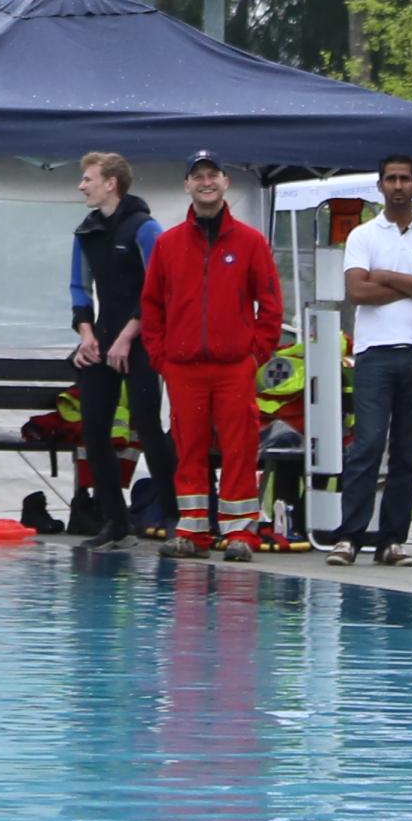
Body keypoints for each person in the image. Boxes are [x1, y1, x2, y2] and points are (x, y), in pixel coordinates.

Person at [139, 151, 284, 559]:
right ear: (187, 185)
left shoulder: (250, 242)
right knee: (188, 448)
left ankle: (240, 534)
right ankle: (193, 530)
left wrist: (255, 355)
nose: (206, 182)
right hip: (183, 368)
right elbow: (151, 306)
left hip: (234, 366)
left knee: (240, 448)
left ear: (225, 182)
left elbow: (271, 304)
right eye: (198, 176)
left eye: (213, 175)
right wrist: (162, 359)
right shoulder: (167, 244)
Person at [332, 156, 412, 567]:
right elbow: (358, 293)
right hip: (374, 354)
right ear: (380, 186)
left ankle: (392, 540)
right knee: (367, 445)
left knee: (407, 451)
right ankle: (349, 536)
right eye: (391, 179)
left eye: (405, 179)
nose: (398, 185)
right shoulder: (363, 235)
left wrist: (384, 276)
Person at [66, 150, 172, 545]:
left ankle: (173, 513)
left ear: (111, 183)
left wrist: (129, 335)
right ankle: (115, 520)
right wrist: (86, 334)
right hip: (103, 336)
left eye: (88, 179)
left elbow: (160, 288)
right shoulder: (86, 232)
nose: (81, 186)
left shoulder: (145, 228)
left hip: (142, 339)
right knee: (94, 430)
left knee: (147, 424)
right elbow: (79, 287)